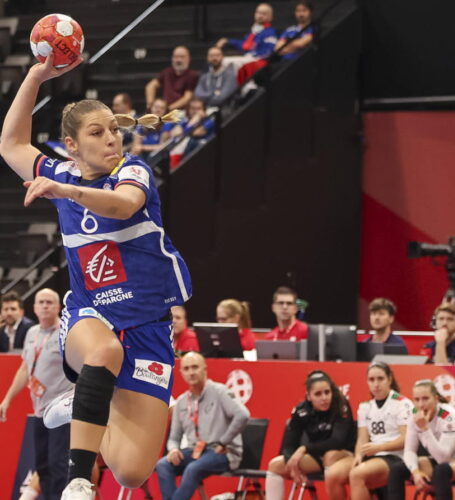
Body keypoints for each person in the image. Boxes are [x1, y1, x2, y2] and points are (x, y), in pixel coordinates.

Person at [0, 52, 192, 499]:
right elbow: (10, 144)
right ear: (72, 145)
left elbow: (121, 205)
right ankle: (78, 482)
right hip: (91, 316)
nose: (112, 139)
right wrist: (35, 75)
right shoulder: (59, 169)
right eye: (97, 132)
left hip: (147, 327)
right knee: (102, 351)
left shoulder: (132, 171)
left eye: (114, 130)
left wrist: (65, 191)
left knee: (131, 471)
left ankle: (85, 401)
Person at [0, 288, 73, 500]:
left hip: (60, 412)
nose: (44, 306)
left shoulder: (66, 334)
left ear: (58, 307)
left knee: (58, 463)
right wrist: (7, 399)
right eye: (40, 302)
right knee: (42, 465)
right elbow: (25, 368)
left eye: (49, 302)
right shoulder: (32, 333)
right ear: (33, 307)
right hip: (39, 410)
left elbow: (80, 367)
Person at [155, 352, 250, 500]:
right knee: (163, 465)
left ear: (205, 369)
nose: (191, 372)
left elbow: (243, 415)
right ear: (181, 373)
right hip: (194, 451)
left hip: (222, 453)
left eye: (195, 367)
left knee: (193, 469)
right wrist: (173, 449)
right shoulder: (181, 401)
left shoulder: (220, 392)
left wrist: (223, 441)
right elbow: (174, 437)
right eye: (186, 369)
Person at [320, 362, 414, 500]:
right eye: (372, 380)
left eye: (380, 379)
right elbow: (362, 439)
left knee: (357, 474)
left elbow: (407, 439)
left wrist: (379, 447)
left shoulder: (402, 403)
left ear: (389, 379)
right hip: (372, 455)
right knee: (332, 475)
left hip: (396, 457)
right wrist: (358, 456)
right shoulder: (365, 407)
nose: (376, 384)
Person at [386, 380, 455, 500]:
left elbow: (442, 458)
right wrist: (416, 472)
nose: (421, 404)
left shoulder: (450, 416)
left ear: (436, 398)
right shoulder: (414, 416)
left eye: (425, 399)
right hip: (445, 461)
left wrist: (424, 428)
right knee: (397, 470)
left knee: (441, 471)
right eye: (417, 400)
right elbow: (409, 451)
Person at [265, 371, 355, 500]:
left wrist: (305, 448)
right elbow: (288, 445)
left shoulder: (341, 404)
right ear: (308, 396)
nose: (324, 398)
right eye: (318, 394)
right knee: (275, 464)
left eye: (327, 392)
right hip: (318, 456)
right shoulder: (301, 410)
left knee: (331, 455)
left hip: (345, 453)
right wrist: (293, 466)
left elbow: (337, 441)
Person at [236, 2, 315, 85]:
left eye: (304, 11)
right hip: (283, 61)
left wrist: (288, 42)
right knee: (259, 73)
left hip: (299, 62)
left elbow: (301, 44)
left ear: (310, 12)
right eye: (298, 11)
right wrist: (293, 44)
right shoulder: (290, 30)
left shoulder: (313, 28)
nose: (301, 14)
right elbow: (278, 48)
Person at [145, 46, 200, 111]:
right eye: (176, 57)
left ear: (188, 58)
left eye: (182, 57)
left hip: (181, 111)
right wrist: (150, 105)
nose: (178, 60)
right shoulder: (167, 72)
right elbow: (150, 86)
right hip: (163, 109)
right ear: (172, 58)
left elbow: (187, 98)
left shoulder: (192, 75)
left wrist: (168, 109)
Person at [132, 98, 178, 163]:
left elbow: (162, 147)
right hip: (143, 157)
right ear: (151, 108)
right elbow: (136, 146)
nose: (158, 110)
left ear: (165, 112)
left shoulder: (167, 125)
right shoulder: (142, 124)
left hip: (159, 159)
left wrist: (143, 147)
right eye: (156, 107)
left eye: (162, 108)